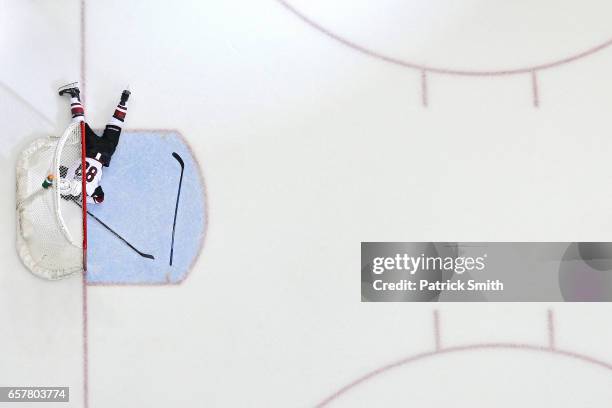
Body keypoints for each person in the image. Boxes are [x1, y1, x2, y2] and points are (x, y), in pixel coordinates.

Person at [55, 82, 130, 204]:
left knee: (115, 125)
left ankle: (124, 100)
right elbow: (58, 170)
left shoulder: (89, 190)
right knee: (79, 124)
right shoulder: (69, 179)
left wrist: (84, 198)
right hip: (90, 149)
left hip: (106, 153)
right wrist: (77, 197)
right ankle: (74, 95)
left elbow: (99, 199)